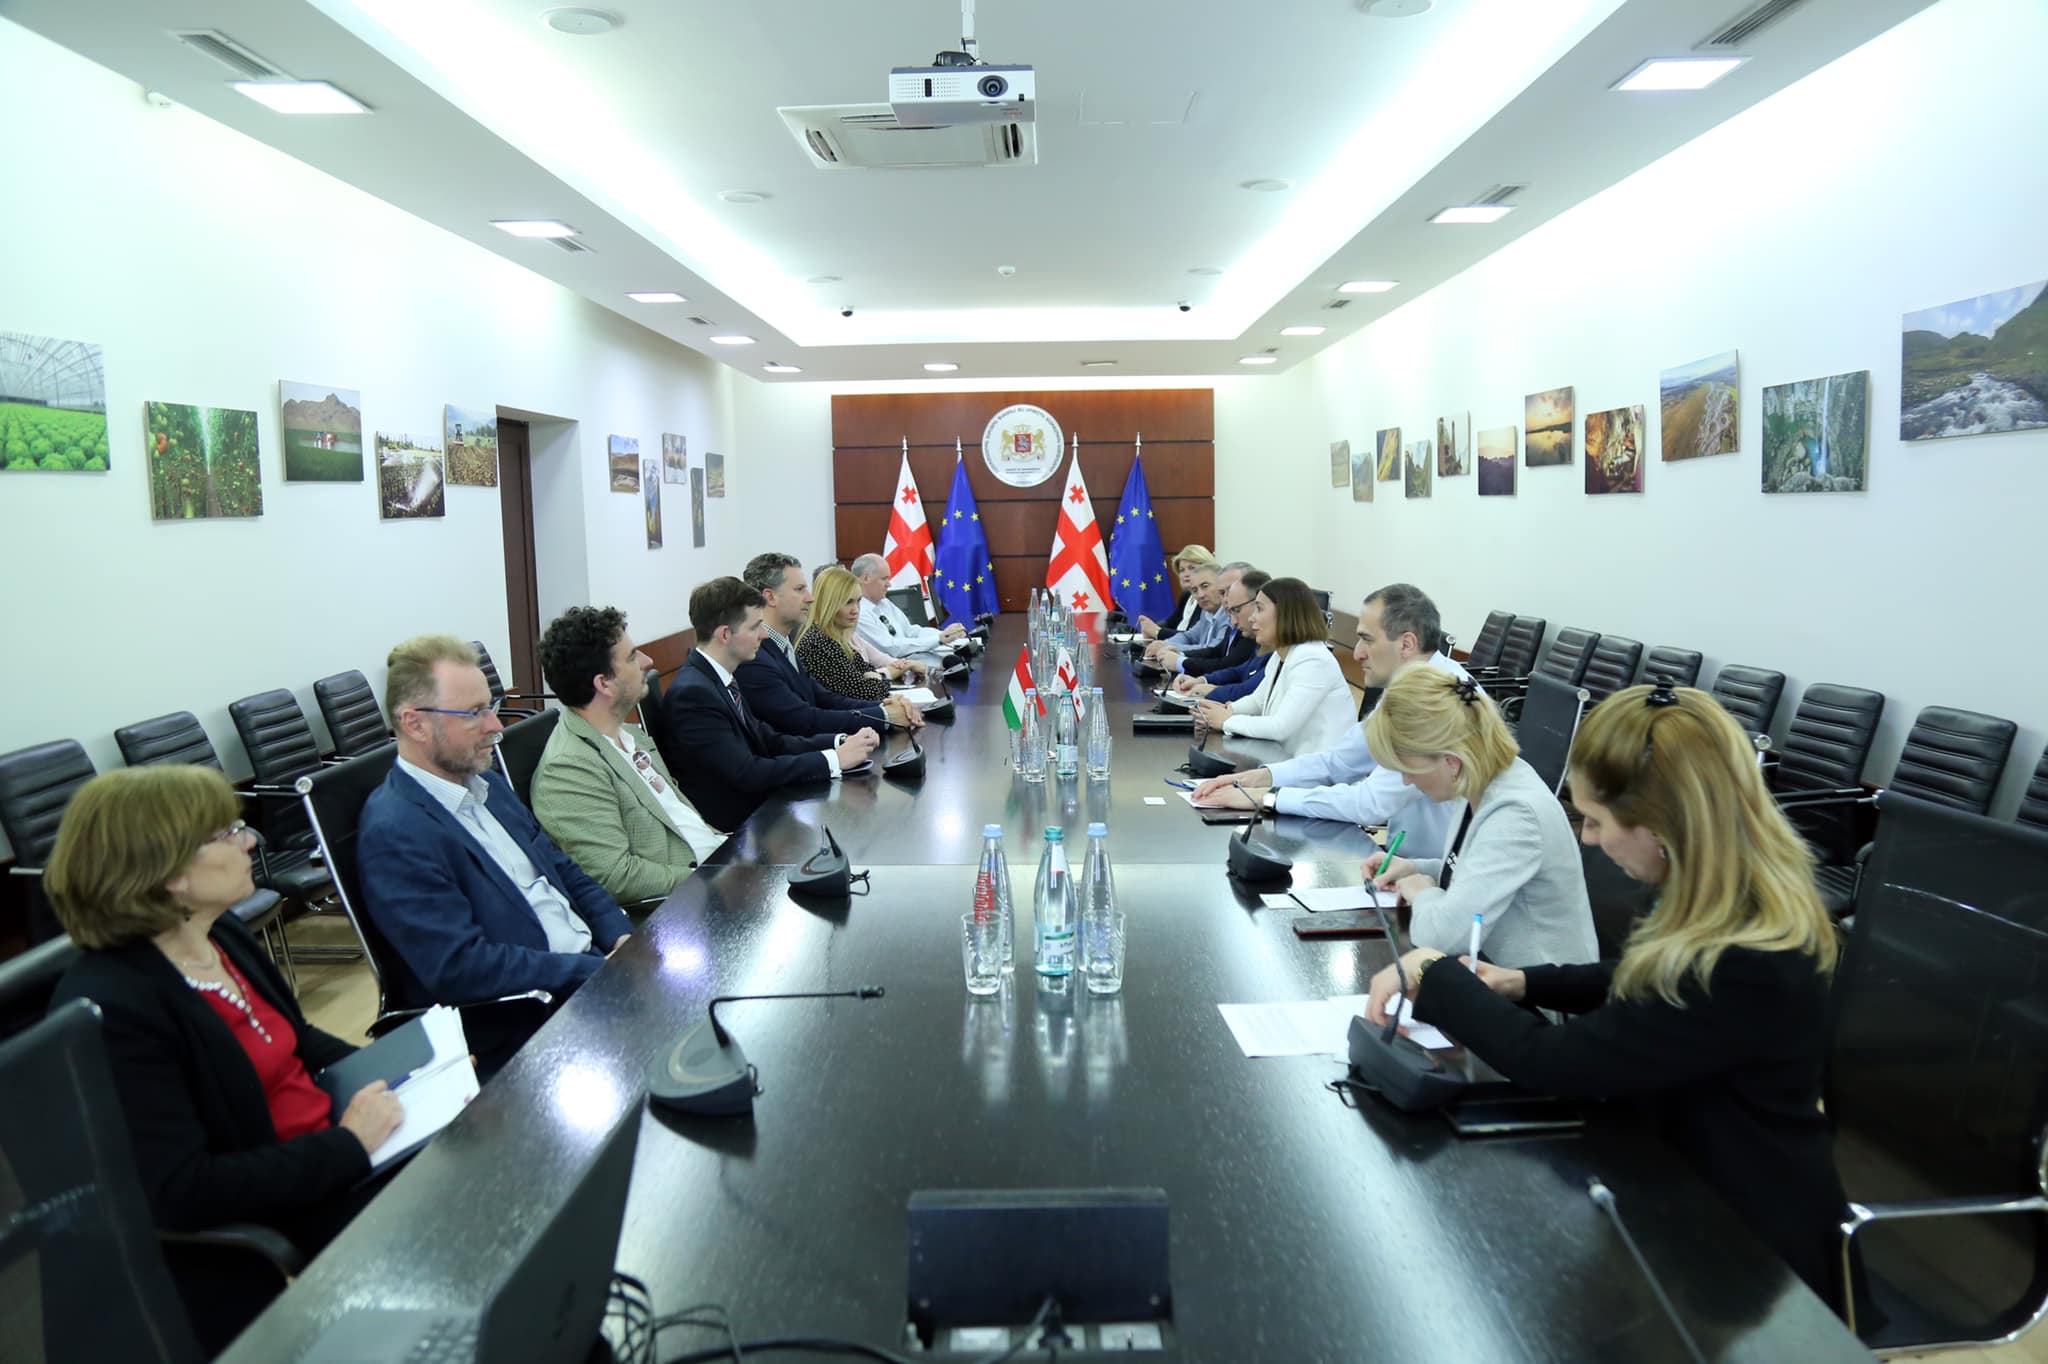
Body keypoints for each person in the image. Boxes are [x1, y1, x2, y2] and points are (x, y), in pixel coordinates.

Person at [1364, 683, 1852, 1306]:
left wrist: (1436, 973)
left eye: (1595, 821)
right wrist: (1528, 981)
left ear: (1663, 825)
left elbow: (1557, 1063)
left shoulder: (1744, 957)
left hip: (1744, 1249)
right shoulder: (1721, 897)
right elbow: (1640, 976)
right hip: (1678, 1180)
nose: (1588, 840)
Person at [44, 767, 406, 1352]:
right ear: (167, 873)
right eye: (227, 833)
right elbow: (185, 1188)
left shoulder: (221, 936)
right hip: (291, 1201)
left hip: (335, 1154)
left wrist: (407, 1066)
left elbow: (297, 1041)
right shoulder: (116, 1006)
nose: (251, 841)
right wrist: (348, 1146)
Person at [359, 635, 634, 1014]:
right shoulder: (395, 833)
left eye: (491, 707)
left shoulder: (490, 786)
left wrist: (620, 935)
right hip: (535, 1010)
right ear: (416, 724)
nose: (495, 726)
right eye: (473, 713)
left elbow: (563, 869)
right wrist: (593, 972)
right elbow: (463, 967)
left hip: (592, 969)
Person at [1192, 584, 1468, 860]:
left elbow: (1370, 803)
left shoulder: (1435, 699)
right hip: (1405, 863)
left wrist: (1268, 797)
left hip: (1432, 871)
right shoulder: (1409, 684)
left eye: (1367, 639)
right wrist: (1261, 777)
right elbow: (1340, 761)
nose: (1357, 653)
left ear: (1406, 644)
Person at [1350, 667, 1597, 965]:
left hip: (1539, 988)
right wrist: (1413, 868)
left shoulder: (1516, 814)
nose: (1406, 780)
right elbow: (1475, 872)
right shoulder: (1480, 779)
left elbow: (1442, 938)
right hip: (1492, 970)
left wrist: (1423, 892)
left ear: (1451, 762)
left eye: (1408, 768)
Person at [530, 605, 726, 904]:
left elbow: (682, 818)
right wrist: (717, 879)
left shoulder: (630, 734)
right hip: (686, 904)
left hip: (718, 865)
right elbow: (616, 877)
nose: (648, 661)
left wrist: (733, 854)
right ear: (604, 684)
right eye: (633, 656)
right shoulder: (569, 768)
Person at [656, 576, 881, 831]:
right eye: (755, 627)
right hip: (735, 828)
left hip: (758, 811)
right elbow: (747, 772)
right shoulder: (693, 694)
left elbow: (769, 740)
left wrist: (840, 742)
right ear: (725, 634)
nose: (763, 635)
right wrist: (833, 760)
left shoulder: (718, 677)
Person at [739, 552, 921, 733]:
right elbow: (802, 719)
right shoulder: (755, 658)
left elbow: (825, 698)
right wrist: (886, 716)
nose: (810, 598)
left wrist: (884, 707)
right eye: (799, 589)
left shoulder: (783, 646)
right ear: (770, 597)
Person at [1190, 577, 1356, 756]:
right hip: (1286, 759)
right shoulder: (1281, 655)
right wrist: (1227, 710)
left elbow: (1280, 727)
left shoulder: (1314, 660)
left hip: (1318, 767)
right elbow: (1258, 701)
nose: (1252, 618)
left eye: (1259, 608)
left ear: (1286, 614)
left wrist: (1226, 721)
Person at [799, 566, 924, 705]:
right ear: (829, 603)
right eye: (848, 602)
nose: (856, 610)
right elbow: (868, 693)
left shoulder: (839, 638)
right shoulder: (819, 642)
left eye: (858, 601)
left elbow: (868, 672)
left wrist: (874, 677)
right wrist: (876, 678)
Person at [851, 552, 966, 657]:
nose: (889, 584)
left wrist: (947, 635)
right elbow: (891, 648)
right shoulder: (857, 613)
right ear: (866, 578)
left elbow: (911, 632)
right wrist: (939, 639)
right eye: (884, 579)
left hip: (910, 661)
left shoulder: (884, 602)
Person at [1162, 565, 1261, 679]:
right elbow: (1216, 651)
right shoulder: (1213, 614)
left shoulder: (1248, 626)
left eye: (1231, 590)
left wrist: (1181, 662)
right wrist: (1180, 654)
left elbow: (1229, 665)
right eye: (1222, 593)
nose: (1226, 599)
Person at [1143, 561, 1226, 661]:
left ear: (1222, 586)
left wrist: (1168, 647)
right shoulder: (1207, 612)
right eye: (1195, 590)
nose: (1200, 595)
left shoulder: (1230, 615)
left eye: (1205, 586)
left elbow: (1212, 650)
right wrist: (1165, 643)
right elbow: (1189, 636)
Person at [1137, 544, 1218, 640]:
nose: (1186, 574)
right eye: (1182, 570)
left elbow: (1195, 637)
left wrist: (1157, 631)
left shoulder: (1207, 600)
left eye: (1192, 568)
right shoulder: (1187, 596)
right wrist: (1150, 626)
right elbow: (1170, 623)